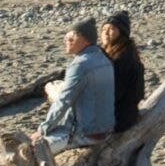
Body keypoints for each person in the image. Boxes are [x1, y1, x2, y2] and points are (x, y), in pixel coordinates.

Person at [37, 18, 114, 149]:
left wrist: (43, 129)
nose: (67, 40)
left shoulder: (80, 65)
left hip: (86, 133)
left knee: (34, 149)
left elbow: (64, 101)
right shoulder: (104, 60)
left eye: (73, 36)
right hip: (105, 131)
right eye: (67, 36)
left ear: (85, 40)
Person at [100, 12, 146, 135]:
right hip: (121, 113)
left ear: (122, 33)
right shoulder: (113, 52)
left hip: (120, 118)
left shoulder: (123, 58)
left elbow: (115, 93)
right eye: (104, 29)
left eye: (111, 29)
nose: (106, 33)